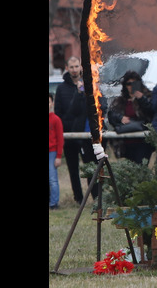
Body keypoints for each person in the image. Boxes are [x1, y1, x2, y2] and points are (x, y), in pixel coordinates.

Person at [53, 56, 100, 204]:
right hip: (69, 134)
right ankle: (79, 199)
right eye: (71, 67)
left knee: (91, 167)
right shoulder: (61, 89)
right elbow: (60, 113)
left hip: (85, 134)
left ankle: (96, 197)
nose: (74, 70)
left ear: (81, 67)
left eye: (76, 66)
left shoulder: (89, 85)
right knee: (73, 169)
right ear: (67, 68)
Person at [108, 71, 155, 165]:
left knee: (141, 170)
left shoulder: (148, 96)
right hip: (125, 143)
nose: (131, 86)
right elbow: (111, 115)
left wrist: (141, 99)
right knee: (128, 173)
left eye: (134, 83)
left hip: (143, 141)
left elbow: (152, 113)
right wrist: (120, 118)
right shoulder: (120, 101)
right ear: (125, 86)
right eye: (129, 84)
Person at [49, 93, 64, 210]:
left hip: (52, 153)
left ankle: (54, 203)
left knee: (53, 179)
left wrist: (58, 156)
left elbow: (60, 138)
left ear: (52, 103)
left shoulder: (56, 119)